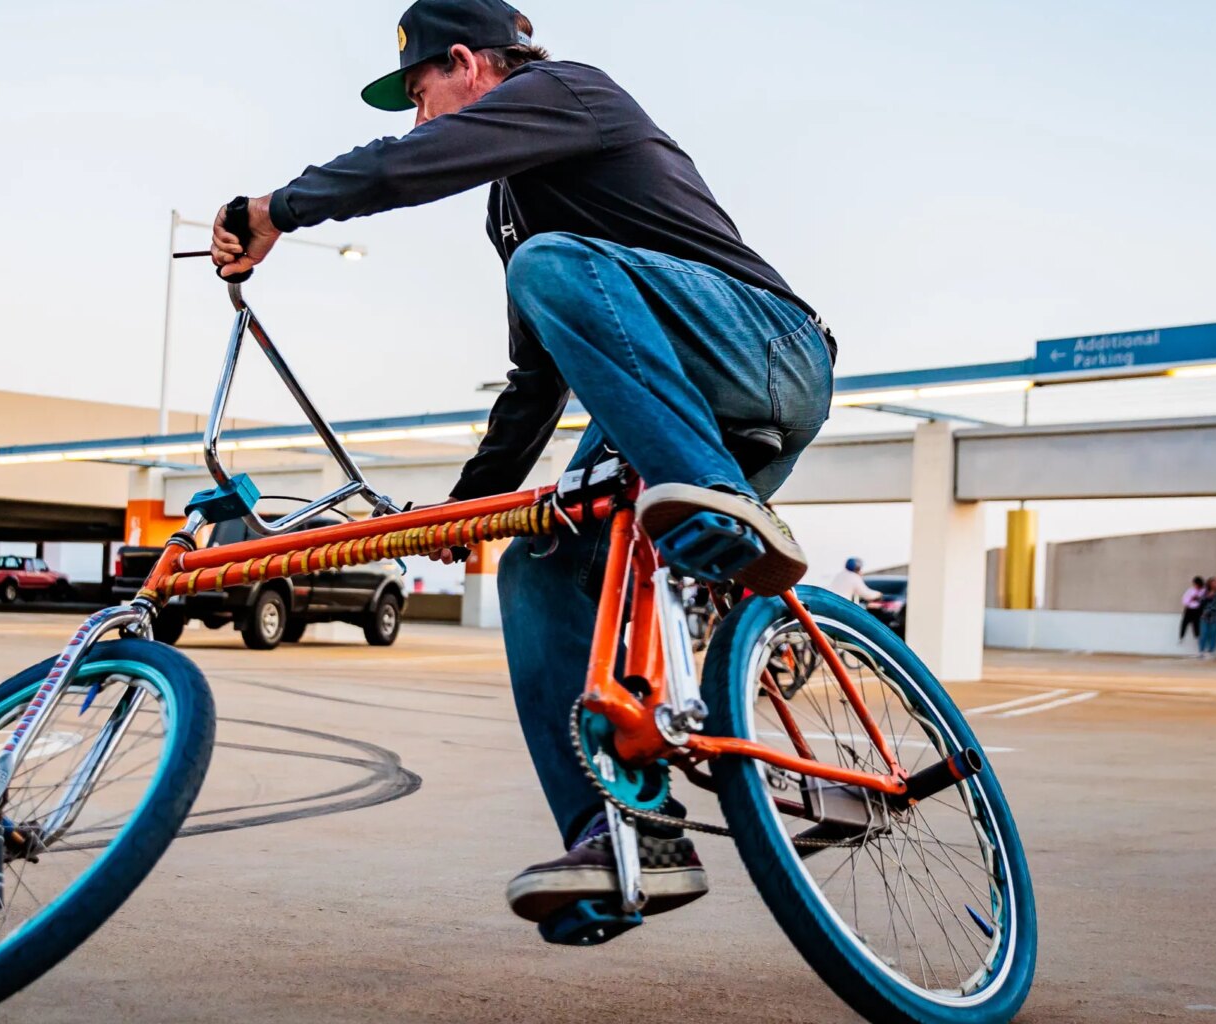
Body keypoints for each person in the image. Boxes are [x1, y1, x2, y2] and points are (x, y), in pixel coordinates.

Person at [210, 0, 834, 928]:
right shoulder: (515, 209)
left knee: (550, 267)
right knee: (537, 566)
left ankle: (708, 502)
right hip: (672, 404)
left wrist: (272, 210)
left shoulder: (567, 91)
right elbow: (536, 383)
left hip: (769, 350)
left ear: (467, 63)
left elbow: (406, 167)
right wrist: (467, 511)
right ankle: (623, 837)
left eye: (419, 92)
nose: (417, 116)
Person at [1197, 576, 1216, 659]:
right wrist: (1207, 597)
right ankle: (1201, 651)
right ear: (1210, 584)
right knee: (1203, 634)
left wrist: (1207, 611)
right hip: (1204, 617)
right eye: (1214, 582)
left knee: (1213, 634)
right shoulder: (1205, 592)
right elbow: (1200, 602)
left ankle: (1210, 651)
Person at [1178, 575, 1204, 643]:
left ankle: (1197, 636)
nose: (1196, 586)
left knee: (1196, 623)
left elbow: (1203, 600)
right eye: (1195, 584)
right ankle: (1181, 637)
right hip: (1189, 609)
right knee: (1184, 622)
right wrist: (1191, 599)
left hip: (1197, 609)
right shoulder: (1190, 590)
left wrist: (1198, 599)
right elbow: (1184, 600)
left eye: (1197, 584)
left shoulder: (1203, 591)